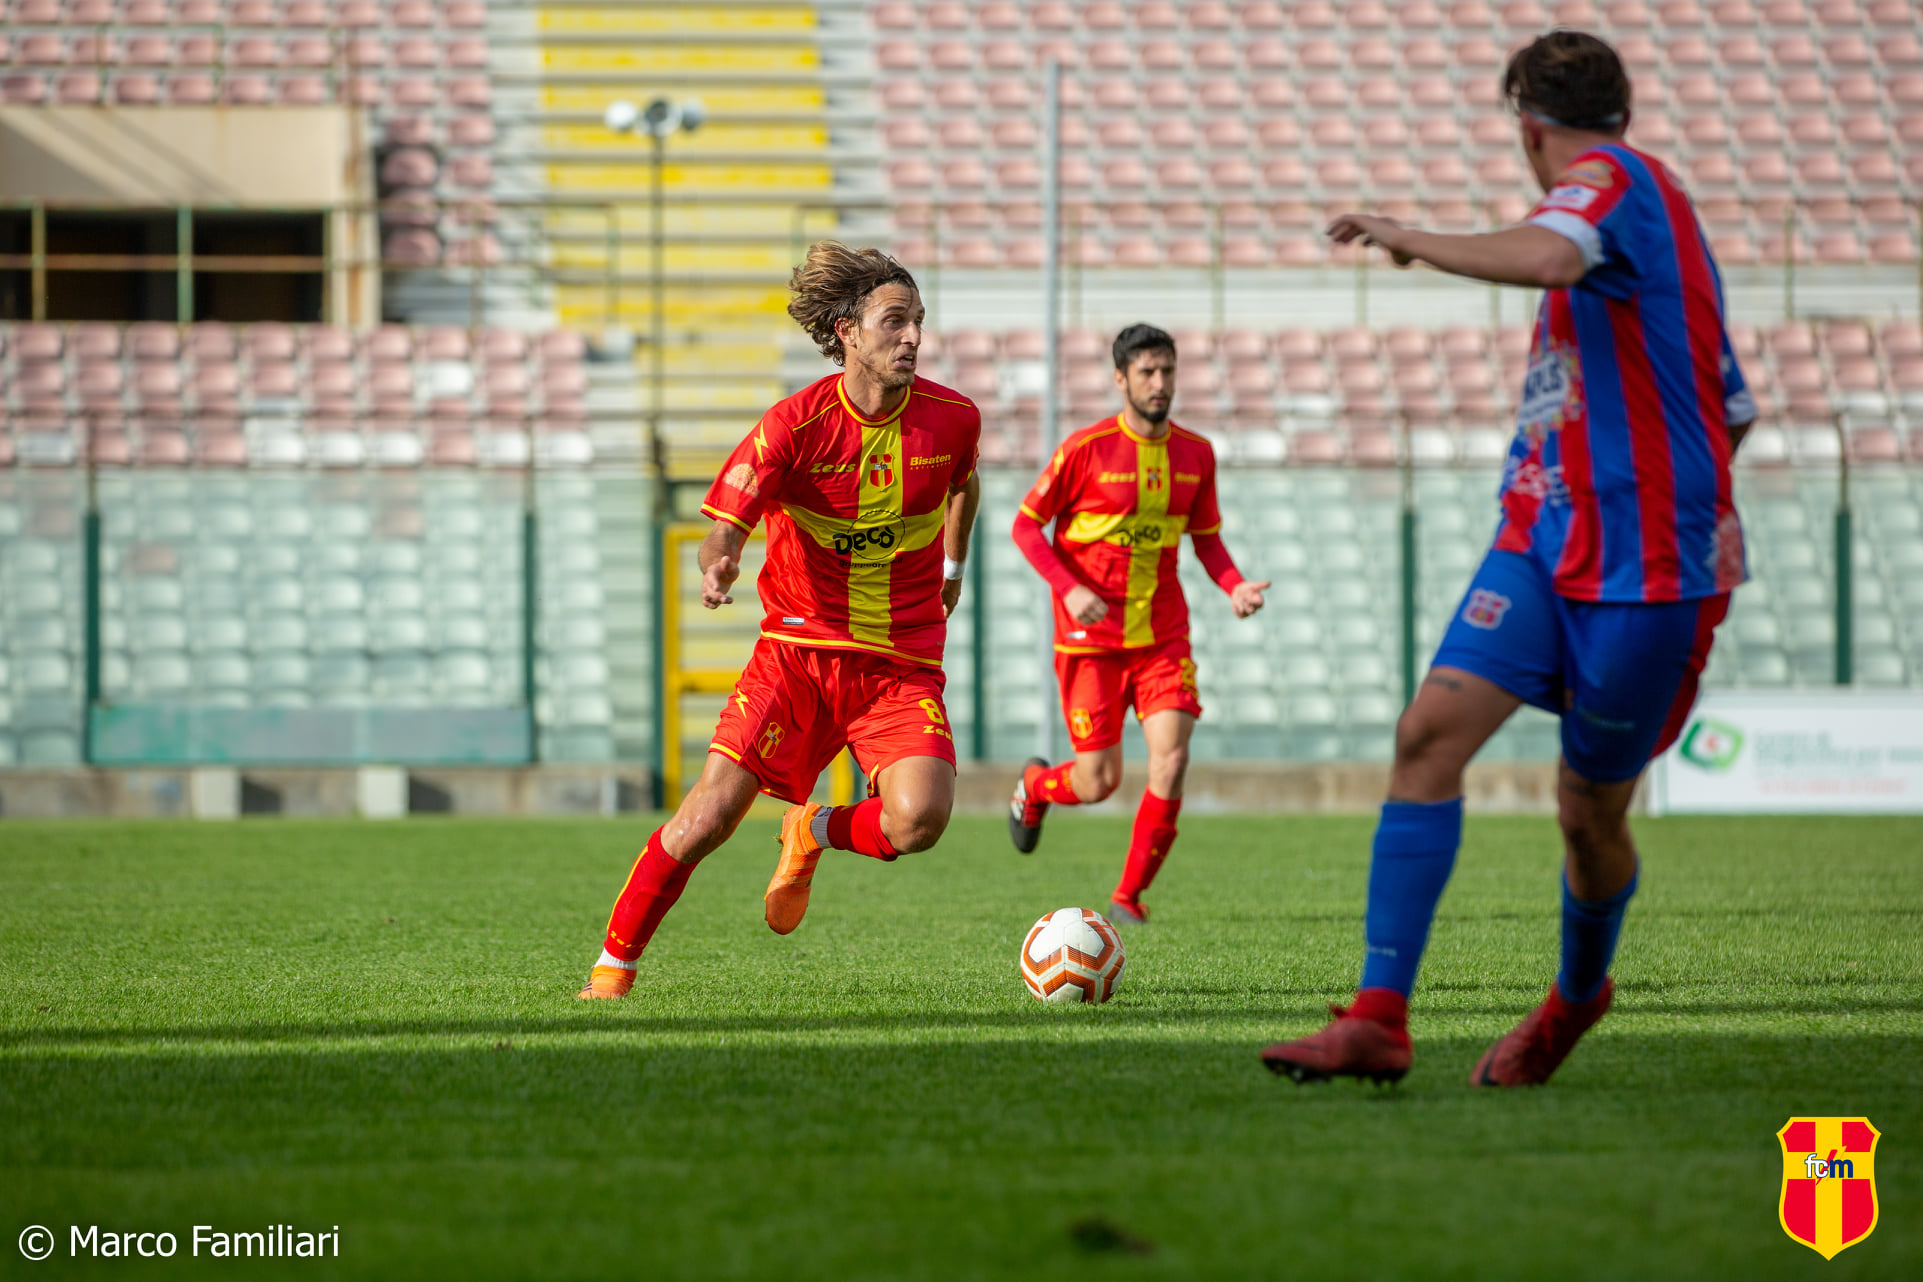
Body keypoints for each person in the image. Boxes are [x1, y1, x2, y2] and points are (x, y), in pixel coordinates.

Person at [1260, 31, 1755, 1085]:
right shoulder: (1654, 218)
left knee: (1588, 813)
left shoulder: (1611, 181)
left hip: (1646, 568)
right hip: (1543, 535)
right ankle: (1377, 1016)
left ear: (1530, 130)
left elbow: (1548, 255)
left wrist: (1406, 234)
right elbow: (1734, 405)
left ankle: (1575, 999)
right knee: (1427, 734)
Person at [578, 242, 981, 999]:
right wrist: (720, 561)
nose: (913, 338)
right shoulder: (792, 426)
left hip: (898, 661)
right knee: (706, 819)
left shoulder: (954, 419)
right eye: (895, 322)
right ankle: (613, 968)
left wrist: (953, 569)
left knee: (919, 821)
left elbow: (964, 482)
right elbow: (725, 524)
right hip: (798, 653)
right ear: (847, 332)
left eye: (919, 322)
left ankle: (811, 828)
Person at [1006, 325, 1269, 925]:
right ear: (1120, 379)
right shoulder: (1085, 449)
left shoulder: (1196, 454)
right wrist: (1070, 588)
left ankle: (1127, 898)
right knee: (1097, 782)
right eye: (1147, 372)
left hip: (1162, 637)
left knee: (1170, 761)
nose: (1159, 383)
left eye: (1167, 371)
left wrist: (1235, 586)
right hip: (1090, 642)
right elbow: (1025, 526)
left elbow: (1207, 541)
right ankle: (1036, 787)